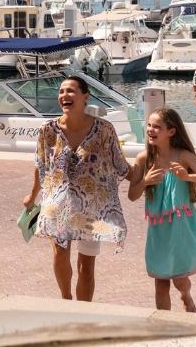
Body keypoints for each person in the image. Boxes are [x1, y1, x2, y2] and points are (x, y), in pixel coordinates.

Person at [22, 76, 130, 302]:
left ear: (85, 97)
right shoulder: (48, 130)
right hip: (58, 203)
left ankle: (84, 310)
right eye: (61, 92)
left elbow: (119, 164)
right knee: (60, 253)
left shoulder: (104, 130)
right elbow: (40, 163)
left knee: (86, 265)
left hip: (92, 206)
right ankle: (66, 299)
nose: (64, 96)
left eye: (70, 91)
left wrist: (144, 177)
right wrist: (32, 196)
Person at [128, 107, 196, 312]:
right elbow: (132, 195)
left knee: (179, 279)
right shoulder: (143, 159)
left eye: (157, 126)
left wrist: (187, 177)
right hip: (158, 231)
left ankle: (186, 296)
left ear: (171, 132)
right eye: (149, 125)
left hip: (181, 228)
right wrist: (145, 181)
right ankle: (164, 324)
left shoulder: (183, 156)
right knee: (160, 281)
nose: (150, 129)